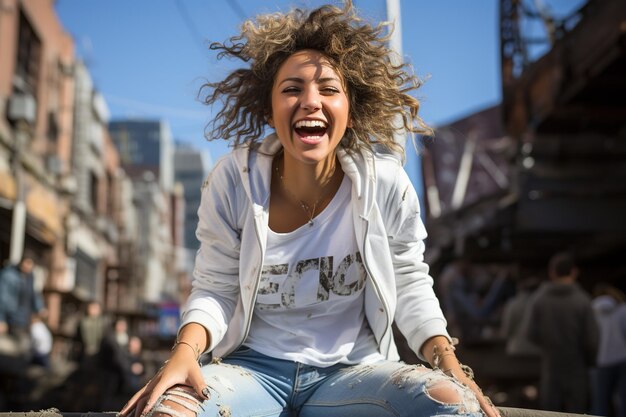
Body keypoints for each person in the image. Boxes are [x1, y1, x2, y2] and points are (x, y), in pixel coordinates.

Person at [120, 2, 499, 417]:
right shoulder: (232, 180)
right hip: (251, 372)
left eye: (328, 89)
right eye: (292, 88)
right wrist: (184, 352)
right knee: (170, 412)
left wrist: (450, 366)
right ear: (269, 109)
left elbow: (409, 281)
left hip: (353, 374)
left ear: (351, 111)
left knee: (451, 404)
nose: (310, 101)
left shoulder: (386, 184)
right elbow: (215, 285)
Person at [526, 251, 599, 413]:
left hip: (551, 366)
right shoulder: (583, 300)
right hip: (577, 367)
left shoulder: (540, 299)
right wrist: (590, 362)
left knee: (550, 412)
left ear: (552, 272)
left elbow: (530, 333)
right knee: (577, 412)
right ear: (574, 272)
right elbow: (592, 340)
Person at [590, 283, 626, 417]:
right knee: (623, 402)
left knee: (600, 402)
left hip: (601, 360)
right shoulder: (623, 309)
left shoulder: (591, 311)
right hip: (623, 358)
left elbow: (590, 337)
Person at [0, 255, 46, 360]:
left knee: (20, 347)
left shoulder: (30, 277)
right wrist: (1, 319)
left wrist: (40, 308)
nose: (28, 267)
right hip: (10, 316)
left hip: (23, 317)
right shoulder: (8, 275)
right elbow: (2, 298)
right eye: (26, 263)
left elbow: (33, 294)